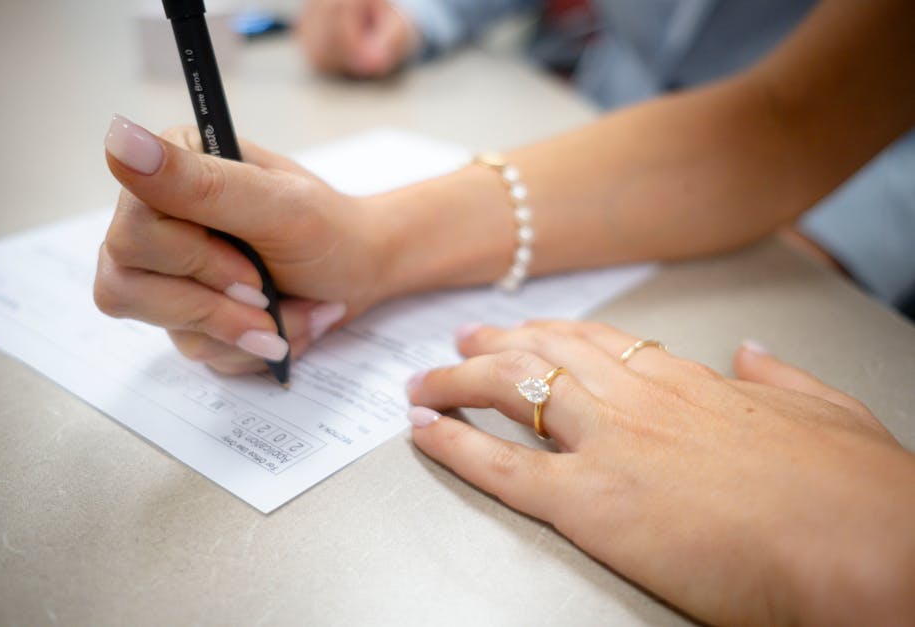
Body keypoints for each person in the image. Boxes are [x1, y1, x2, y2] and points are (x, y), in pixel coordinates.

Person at [94, 0, 915, 623]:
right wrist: (369, 243)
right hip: (614, 134)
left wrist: (884, 546)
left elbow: (792, 118)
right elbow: (772, 125)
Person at [298, 0, 915, 316]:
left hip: (828, 199)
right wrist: (409, 14)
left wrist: (383, 242)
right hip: (598, 122)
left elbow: (780, 125)